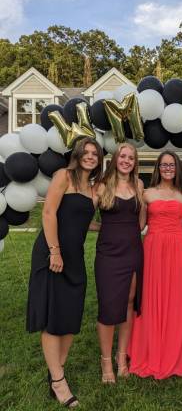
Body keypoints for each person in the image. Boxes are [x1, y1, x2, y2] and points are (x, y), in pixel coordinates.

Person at [26, 137, 103, 407]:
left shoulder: (94, 190)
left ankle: (55, 371)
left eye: (96, 153)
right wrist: (55, 251)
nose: (91, 156)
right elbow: (49, 213)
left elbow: (83, 222)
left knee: (70, 316)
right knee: (53, 315)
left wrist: (108, 229)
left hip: (75, 258)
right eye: (87, 152)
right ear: (78, 154)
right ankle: (59, 382)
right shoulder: (64, 176)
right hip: (51, 253)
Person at [128, 151, 182, 379]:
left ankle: (174, 350)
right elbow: (138, 225)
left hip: (177, 248)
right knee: (150, 296)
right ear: (158, 168)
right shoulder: (146, 193)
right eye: (164, 164)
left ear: (178, 168)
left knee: (177, 297)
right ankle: (148, 349)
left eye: (172, 164)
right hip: (153, 248)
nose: (168, 168)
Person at [94, 143, 145, 384]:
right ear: (115, 159)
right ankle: (105, 362)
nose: (126, 160)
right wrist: (101, 227)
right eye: (123, 156)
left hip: (133, 251)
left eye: (131, 158)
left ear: (135, 162)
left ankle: (121, 357)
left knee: (128, 302)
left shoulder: (139, 185)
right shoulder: (102, 186)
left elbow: (141, 221)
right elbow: (82, 216)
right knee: (108, 306)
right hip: (108, 254)